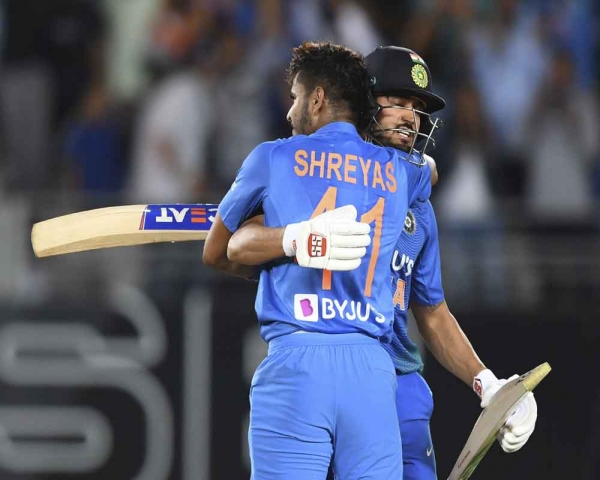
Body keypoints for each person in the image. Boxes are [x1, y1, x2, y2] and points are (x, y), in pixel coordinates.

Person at [227, 46, 539, 479]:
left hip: (396, 381)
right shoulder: (303, 177)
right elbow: (241, 244)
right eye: (398, 101)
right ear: (361, 101)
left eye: (417, 108)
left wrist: (488, 383)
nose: (411, 117)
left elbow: (432, 311)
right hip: (318, 368)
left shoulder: (416, 203)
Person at [203, 41, 433, 479]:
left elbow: (217, 251)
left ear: (317, 98)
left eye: (295, 97)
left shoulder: (272, 157)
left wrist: (286, 248)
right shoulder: (402, 171)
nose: (291, 111)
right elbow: (430, 170)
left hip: (297, 361)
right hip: (371, 371)